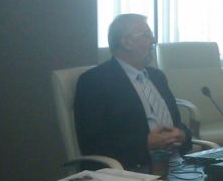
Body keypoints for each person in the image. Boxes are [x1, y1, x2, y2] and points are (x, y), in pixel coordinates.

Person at [74, 14, 191, 170]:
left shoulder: (157, 77)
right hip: (132, 169)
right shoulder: (95, 81)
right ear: (127, 42)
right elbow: (93, 143)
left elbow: (177, 124)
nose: (153, 40)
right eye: (147, 35)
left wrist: (182, 135)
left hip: (178, 165)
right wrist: (146, 143)